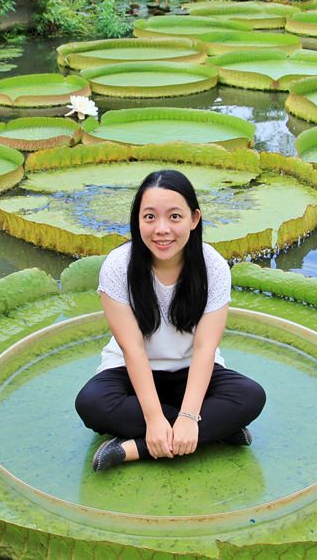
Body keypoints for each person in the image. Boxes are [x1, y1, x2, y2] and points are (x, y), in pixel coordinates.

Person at [74, 169, 266, 472]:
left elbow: (205, 348)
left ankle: (134, 448)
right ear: (137, 220)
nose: (161, 229)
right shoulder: (118, 266)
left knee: (250, 396)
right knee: (91, 403)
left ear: (194, 219)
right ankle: (216, 430)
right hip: (130, 373)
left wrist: (189, 417)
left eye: (174, 217)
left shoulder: (213, 266)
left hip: (192, 371)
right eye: (149, 217)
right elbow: (133, 349)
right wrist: (152, 418)